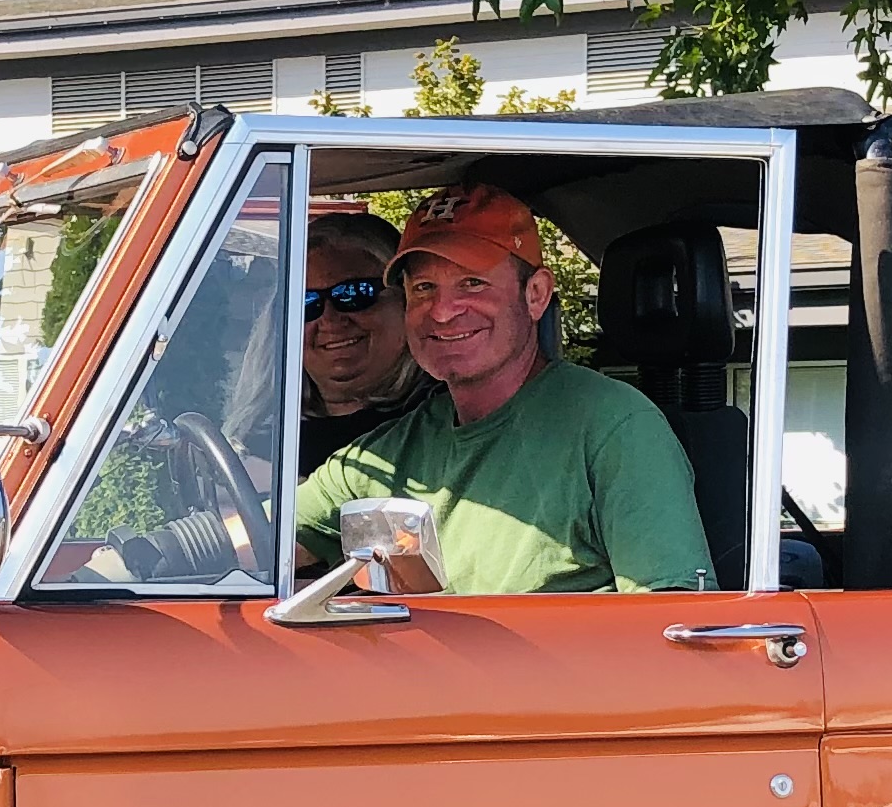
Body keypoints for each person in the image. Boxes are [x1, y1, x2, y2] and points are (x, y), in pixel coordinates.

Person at [293, 180, 713, 595]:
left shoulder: (614, 428)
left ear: (536, 294)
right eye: (424, 288)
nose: (442, 312)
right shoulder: (397, 449)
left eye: (472, 283)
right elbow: (264, 537)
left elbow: (670, 624)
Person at [298, 210, 423, 474]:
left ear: (406, 298)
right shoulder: (265, 430)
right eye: (307, 302)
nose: (330, 320)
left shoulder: (435, 425)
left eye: (355, 293)